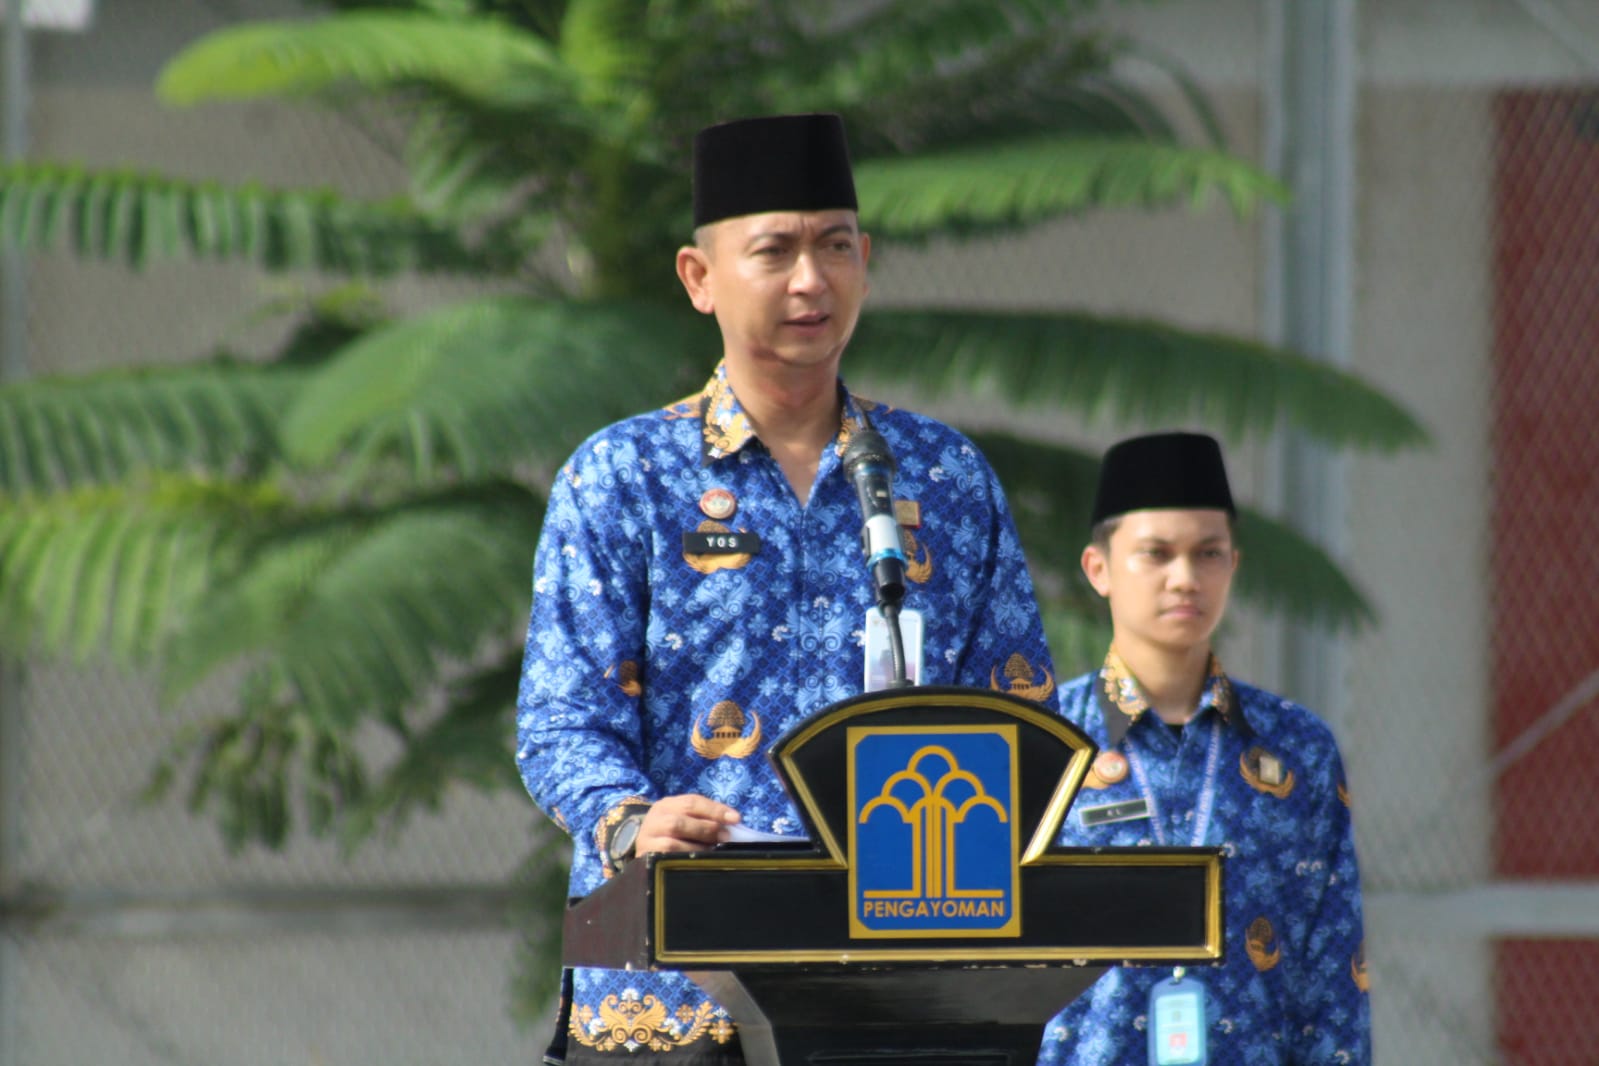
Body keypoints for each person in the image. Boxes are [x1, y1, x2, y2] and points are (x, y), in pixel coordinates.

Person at [515, 112, 1058, 1065]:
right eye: (774, 251)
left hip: (899, 989)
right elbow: (561, 721)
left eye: (835, 247)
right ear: (699, 278)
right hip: (675, 993)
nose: (810, 280)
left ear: (865, 263)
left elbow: (1015, 715)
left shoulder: (944, 477)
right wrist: (633, 821)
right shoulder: (623, 475)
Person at [1038, 431, 1371, 1065]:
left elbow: (1333, 978)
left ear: (1232, 566)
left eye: (1208, 553)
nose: (1185, 578)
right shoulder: (1043, 744)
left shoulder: (1298, 749)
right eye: (1156, 554)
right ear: (1098, 569)